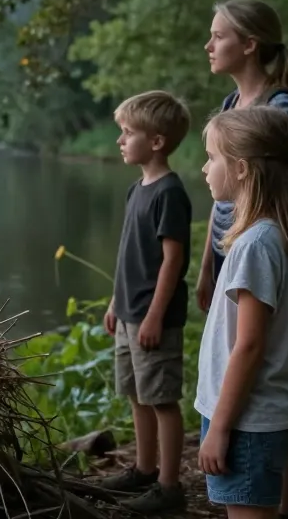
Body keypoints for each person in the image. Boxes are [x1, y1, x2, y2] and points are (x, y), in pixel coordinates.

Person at [197, 0, 288, 519]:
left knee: (263, 354)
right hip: (240, 253)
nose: (209, 44)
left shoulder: (281, 109)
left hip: (259, 257)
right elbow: (223, 207)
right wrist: (207, 265)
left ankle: (283, 504)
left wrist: (221, 426)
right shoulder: (230, 109)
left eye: (218, 34)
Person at [99, 89, 193, 514]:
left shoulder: (169, 193)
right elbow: (127, 252)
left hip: (154, 318)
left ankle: (170, 487)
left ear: (155, 141)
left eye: (128, 132)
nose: (120, 140)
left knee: (162, 399)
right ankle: (144, 468)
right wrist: (116, 303)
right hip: (129, 313)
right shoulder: (137, 189)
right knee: (137, 394)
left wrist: (155, 315)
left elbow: (173, 261)